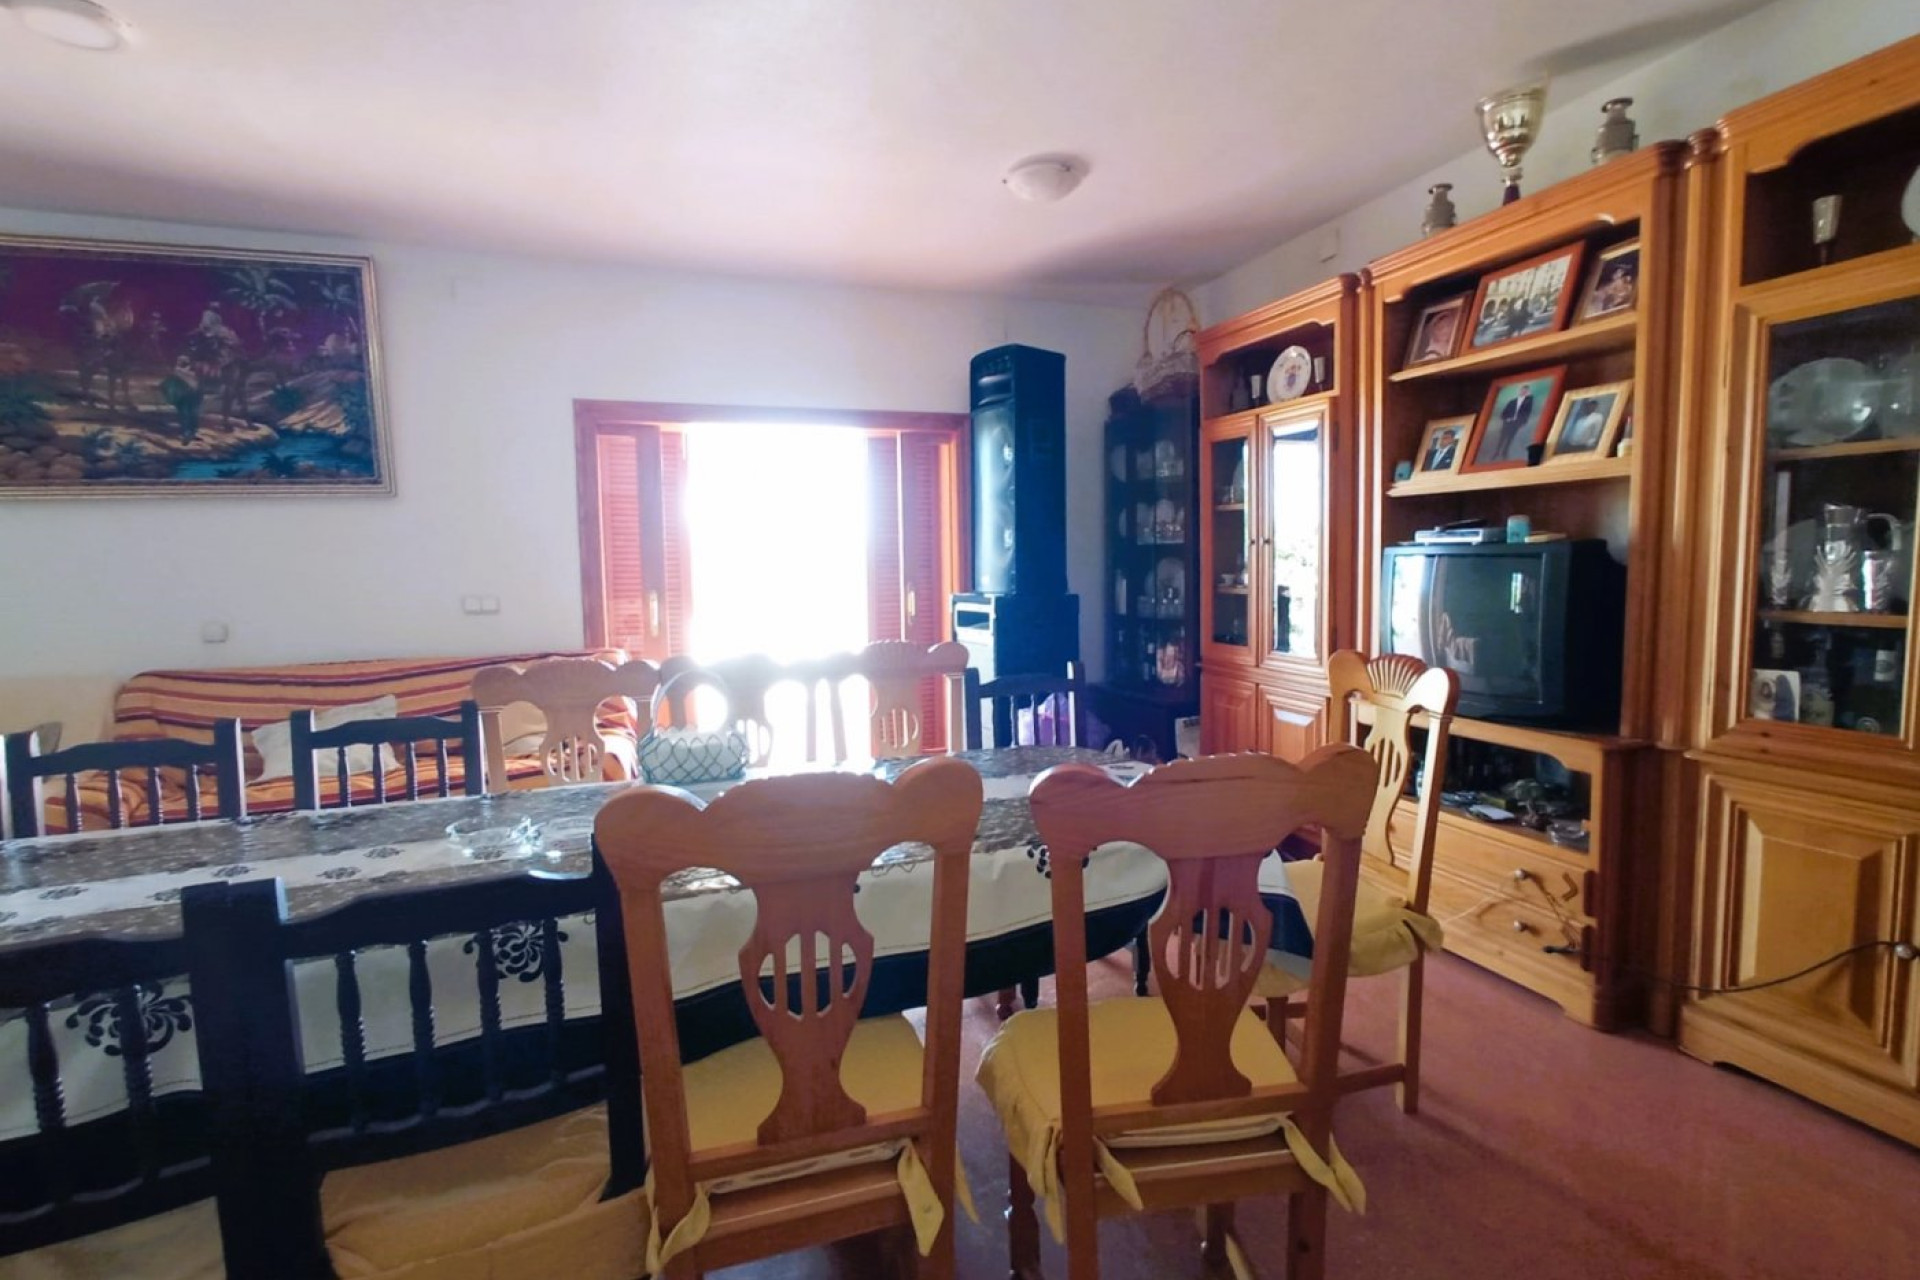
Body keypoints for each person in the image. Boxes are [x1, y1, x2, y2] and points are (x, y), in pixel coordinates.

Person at [1491, 383, 1538, 461]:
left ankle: (1504, 452)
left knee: (1510, 438)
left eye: (1525, 391)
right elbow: (1504, 413)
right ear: (1520, 391)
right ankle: (1497, 452)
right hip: (1507, 422)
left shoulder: (1528, 402)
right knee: (1502, 438)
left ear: (1527, 392)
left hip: (1516, 423)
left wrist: (1522, 422)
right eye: (1522, 390)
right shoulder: (1512, 401)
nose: (1523, 392)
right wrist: (1506, 419)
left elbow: (1528, 412)